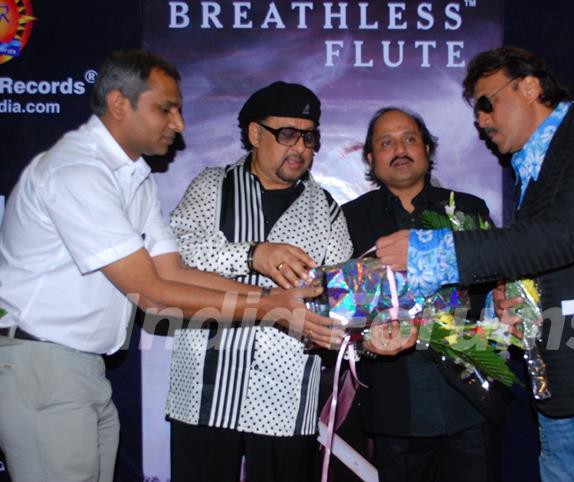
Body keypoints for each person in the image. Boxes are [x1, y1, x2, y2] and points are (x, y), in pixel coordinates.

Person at [0, 51, 334, 482]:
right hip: (42, 364)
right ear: (120, 105)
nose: (179, 124)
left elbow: (171, 271)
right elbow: (152, 293)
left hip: (83, 369)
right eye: (166, 108)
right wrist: (271, 303)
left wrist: (278, 302)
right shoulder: (77, 171)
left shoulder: (132, 177)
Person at [374, 46, 574, 482]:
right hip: (561, 393)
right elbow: (550, 264)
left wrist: (428, 251)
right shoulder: (532, 169)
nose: (482, 122)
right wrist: (510, 304)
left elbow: (564, 237)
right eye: (477, 112)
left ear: (529, 87)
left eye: (487, 104)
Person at [165, 81, 354, 482]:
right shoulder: (213, 185)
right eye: (287, 134)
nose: (300, 148)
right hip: (205, 394)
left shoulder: (326, 210)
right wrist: (253, 254)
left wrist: (363, 324)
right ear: (255, 134)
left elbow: (344, 299)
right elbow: (176, 258)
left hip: (285, 402)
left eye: (309, 137)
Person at [343, 107, 503, 482]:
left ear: (428, 149)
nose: (399, 149)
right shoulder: (350, 220)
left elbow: (494, 288)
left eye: (410, 139)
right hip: (396, 406)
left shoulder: (467, 209)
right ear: (370, 158)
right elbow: (346, 311)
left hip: (469, 400)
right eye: (386, 143)